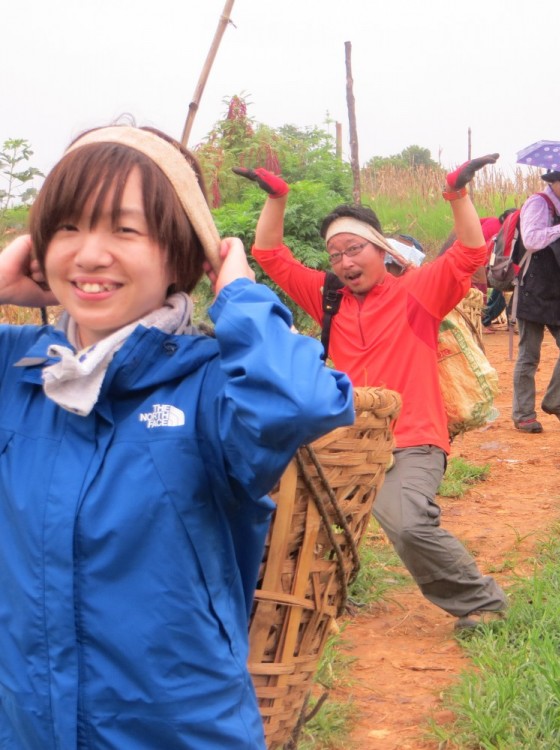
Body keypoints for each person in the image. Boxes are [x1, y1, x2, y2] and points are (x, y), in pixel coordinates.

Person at [0, 125, 355, 748]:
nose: (89, 254)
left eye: (124, 230)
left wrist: (239, 292)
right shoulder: (19, 371)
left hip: (181, 732)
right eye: (67, 227)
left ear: (181, 255)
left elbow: (302, 401)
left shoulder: (209, 388)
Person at [242, 156, 508, 632]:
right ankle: (304, 609)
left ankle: (480, 602)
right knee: (296, 516)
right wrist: (276, 199)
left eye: (354, 249)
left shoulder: (418, 293)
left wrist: (457, 194)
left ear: (381, 250)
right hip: (344, 439)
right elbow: (269, 256)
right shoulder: (328, 298)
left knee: (404, 520)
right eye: (336, 254)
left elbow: (470, 254)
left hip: (413, 437)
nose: (345, 262)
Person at [511, 170, 560, 433]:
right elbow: (531, 240)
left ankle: (557, 401)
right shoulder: (537, 203)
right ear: (558, 182)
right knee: (529, 355)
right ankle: (523, 415)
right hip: (534, 289)